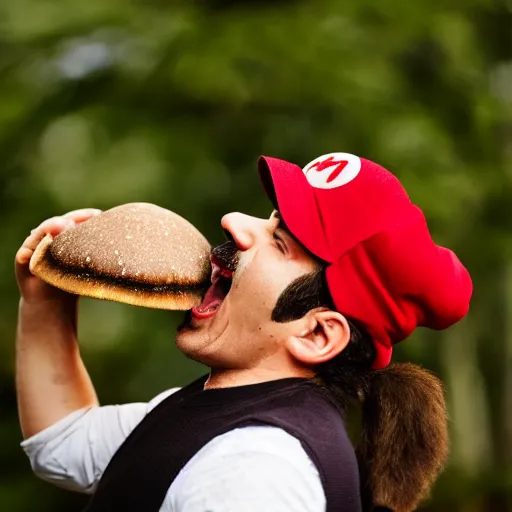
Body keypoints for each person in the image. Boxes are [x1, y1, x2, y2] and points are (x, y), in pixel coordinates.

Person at [15, 152, 472, 512]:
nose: (234, 221)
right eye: (270, 218)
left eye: (279, 242)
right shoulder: (216, 411)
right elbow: (65, 446)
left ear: (316, 335)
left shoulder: (256, 469)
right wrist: (45, 304)